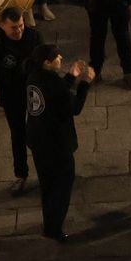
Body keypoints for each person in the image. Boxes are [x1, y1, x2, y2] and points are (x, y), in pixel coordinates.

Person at [25, 43, 95, 242]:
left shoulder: (33, 75)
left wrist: (71, 75)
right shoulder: (53, 84)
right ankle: (55, 227)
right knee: (62, 184)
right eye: (57, 57)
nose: (61, 58)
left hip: (37, 140)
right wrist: (85, 83)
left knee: (47, 185)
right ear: (47, 63)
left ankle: (49, 223)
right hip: (56, 143)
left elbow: (55, 94)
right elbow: (74, 106)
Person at [0, 7, 41, 195]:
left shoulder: (34, 37)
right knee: (18, 135)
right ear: (2, 26)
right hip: (12, 96)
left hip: (34, 95)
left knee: (40, 135)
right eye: (14, 27)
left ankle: (45, 172)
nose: (19, 31)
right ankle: (21, 174)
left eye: (21, 25)